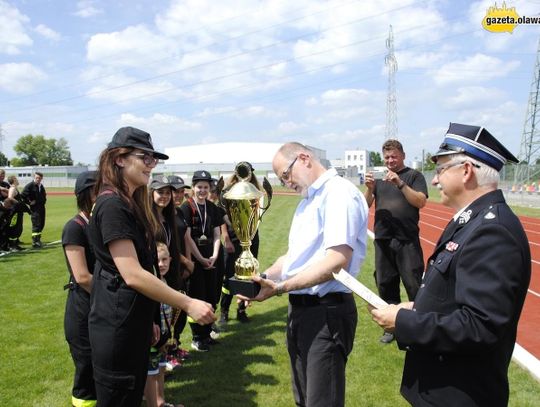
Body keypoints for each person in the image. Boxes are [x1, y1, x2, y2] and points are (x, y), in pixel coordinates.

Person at [370, 123, 531, 406]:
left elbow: (479, 326)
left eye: (441, 169)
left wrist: (404, 321)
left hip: (460, 394)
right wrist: (416, 308)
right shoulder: (470, 221)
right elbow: (451, 299)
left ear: (467, 171)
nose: (435, 180)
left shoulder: (493, 231)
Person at [87, 126, 215, 406]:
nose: (151, 165)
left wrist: (151, 320)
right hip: (116, 326)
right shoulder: (112, 206)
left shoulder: (129, 204)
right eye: (145, 157)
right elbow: (132, 274)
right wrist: (189, 302)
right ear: (119, 158)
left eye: (153, 159)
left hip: (133, 322)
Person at [245, 142, 368, 407]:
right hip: (301, 311)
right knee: (304, 398)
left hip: (326, 313)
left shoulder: (339, 194)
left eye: (286, 175)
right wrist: (262, 277)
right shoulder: (308, 201)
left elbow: (337, 261)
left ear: (304, 158)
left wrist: (280, 288)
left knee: (322, 401)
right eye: (281, 179)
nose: (286, 182)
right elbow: (292, 258)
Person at [363, 139, 428, 343]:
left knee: (413, 283)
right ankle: (391, 328)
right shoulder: (380, 179)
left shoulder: (413, 176)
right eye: (387, 157)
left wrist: (400, 183)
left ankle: (418, 326)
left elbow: (420, 201)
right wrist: (369, 188)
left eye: (394, 156)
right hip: (383, 239)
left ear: (403, 156)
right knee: (385, 283)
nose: (390, 161)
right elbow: (366, 205)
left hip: (406, 239)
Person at [62, 171, 97, 407]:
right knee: (86, 366)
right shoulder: (74, 228)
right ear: (84, 195)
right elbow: (83, 276)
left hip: (99, 302)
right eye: (98, 190)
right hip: (84, 305)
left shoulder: (99, 223)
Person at [180, 170, 224, 352]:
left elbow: (216, 234)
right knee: (198, 295)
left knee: (211, 295)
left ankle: (206, 334)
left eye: (206, 187)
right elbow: (187, 238)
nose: (202, 190)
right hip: (196, 258)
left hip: (211, 258)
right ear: (193, 187)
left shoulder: (212, 208)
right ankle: (197, 338)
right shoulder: (186, 207)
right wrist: (200, 258)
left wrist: (214, 255)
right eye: (199, 187)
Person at [219, 162, 261, 325]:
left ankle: (241, 310)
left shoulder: (256, 191)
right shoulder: (227, 192)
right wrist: (226, 238)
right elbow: (221, 216)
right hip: (232, 238)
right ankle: (224, 311)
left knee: (249, 275)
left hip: (251, 238)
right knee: (229, 276)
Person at [144, 242, 184, 407]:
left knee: (161, 370)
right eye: (157, 260)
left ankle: (161, 402)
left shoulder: (166, 281)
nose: (161, 264)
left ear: (170, 259)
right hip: (152, 339)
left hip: (163, 338)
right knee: (151, 374)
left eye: (164, 259)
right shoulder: (150, 283)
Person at [21, 171, 47, 248]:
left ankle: (38, 240)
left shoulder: (41, 186)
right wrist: (29, 202)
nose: (38, 179)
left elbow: (43, 196)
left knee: (41, 224)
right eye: (36, 178)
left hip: (42, 207)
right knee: (36, 224)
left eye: (39, 178)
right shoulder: (30, 186)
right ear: (34, 177)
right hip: (35, 209)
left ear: (41, 178)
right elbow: (23, 195)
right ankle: (35, 242)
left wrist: (44, 200)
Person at [7, 175, 30, 251]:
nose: (17, 180)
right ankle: (12, 246)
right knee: (14, 227)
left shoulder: (14, 188)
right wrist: (19, 203)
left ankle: (15, 244)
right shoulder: (13, 188)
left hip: (18, 211)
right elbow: (10, 197)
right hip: (15, 211)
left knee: (18, 227)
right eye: (16, 179)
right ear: (13, 180)